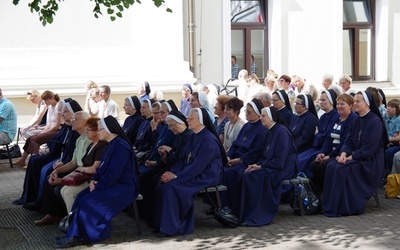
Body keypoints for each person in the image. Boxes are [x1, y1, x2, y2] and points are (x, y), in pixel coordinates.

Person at [55, 116, 139, 248]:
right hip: (110, 183)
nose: (98, 132)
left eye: (100, 130)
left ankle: (86, 236)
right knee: (81, 197)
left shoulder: (121, 147)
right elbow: (103, 168)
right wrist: (95, 180)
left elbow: (113, 174)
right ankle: (74, 232)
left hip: (124, 187)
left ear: (109, 130)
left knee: (89, 201)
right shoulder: (111, 144)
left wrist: (99, 185)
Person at [216, 106, 297, 227]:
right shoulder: (270, 131)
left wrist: (260, 166)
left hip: (284, 168)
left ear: (272, 117)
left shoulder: (281, 132)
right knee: (243, 173)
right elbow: (265, 155)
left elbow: (280, 161)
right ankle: (241, 212)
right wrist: (258, 164)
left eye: (263, 116)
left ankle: (255, 214)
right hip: (271, 165)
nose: (261, 118)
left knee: (251, 176)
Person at [152, 108, 226, 237]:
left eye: (191, 118)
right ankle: (162, 225)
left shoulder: (208, 139)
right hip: (192, 172)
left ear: (200, 121)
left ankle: (177, 227)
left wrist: (175, 176)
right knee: (161, 183)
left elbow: (198, 166)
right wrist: (170, 172)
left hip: (207, 175)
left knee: (172, 187)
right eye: (188, 117)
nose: (187, 120)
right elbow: (183, 159)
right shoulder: (193, 136)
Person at [323, 91, 388, 217]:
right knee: (331, 165)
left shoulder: (375, 122)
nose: (355, 103)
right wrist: (343, 154)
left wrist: (350, 157)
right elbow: (348, 141)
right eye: (354, 101)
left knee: (342, 168)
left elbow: (370, 149)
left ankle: (347, 207)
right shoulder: (356, 120)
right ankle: (332, 206)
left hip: (371, 162)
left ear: (367, 103)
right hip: (358, 157)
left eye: (358, 101)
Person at [34, 111, 91, 226]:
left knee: (58, 187)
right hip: (78, 170)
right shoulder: (80, 139)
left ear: (84, 122)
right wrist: (57, 171)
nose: (72, 121)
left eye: (76, 119)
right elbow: (73, 162)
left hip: (85, 174)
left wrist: (63, 179)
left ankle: (65, 217)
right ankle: (55, 214)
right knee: (50, 176)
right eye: (73, 119)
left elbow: (84, 165)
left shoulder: (89, 139)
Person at [219, 98, 269, 212]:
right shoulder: (247, 126)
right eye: (246, 111)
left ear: (257, 113)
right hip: (236, 157)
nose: (246, 113)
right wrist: (228, 156)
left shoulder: (262, 129)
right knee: (220, 169)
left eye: (249, 112)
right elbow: (236, 144)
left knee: (229, 173)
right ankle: (219, 204)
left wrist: (239, 160)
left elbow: (256, 151)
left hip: (247, 161)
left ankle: (230, 205)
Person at [310, 93, 357, 200]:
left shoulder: (352, 119)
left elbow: (345, 141)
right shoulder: (338, 119)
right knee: (314, 164)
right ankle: (317, 196)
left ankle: (326, 196)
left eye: (342, 104)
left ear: (350, 106)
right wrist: (322, 153)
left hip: (343, 153)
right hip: (331, 152)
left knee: (323, 166)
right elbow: (328, 138)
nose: (339, 106)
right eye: (338, 104)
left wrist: (330, 155)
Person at [60, 117, 108, 213]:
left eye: (88, 130)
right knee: (63, 190)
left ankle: (74, 220)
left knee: (68, 193)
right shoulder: (91, 145)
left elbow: (94, 169)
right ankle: (73, 217)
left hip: (92, 180)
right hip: (85, 177)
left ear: (97, 131)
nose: (86, 133)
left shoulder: (102, 145)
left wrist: (82, 169)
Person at [297, 89, 340, 176]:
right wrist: (319, 135)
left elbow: (327, 136)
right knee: (298, 158)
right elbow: (319, 135)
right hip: (318, 147)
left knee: (305, 160)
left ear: (331, 101)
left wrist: (318, 135)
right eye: (320, 100)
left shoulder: (336, 116)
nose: (320, 102)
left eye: (323, 100)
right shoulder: (323, 116)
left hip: (327, 149)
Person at [14, 90, 62, 167]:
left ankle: (35, 161)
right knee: (31, 138)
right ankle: (22, 160)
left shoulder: (58, 106)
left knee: (34, 140)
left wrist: (45, 132)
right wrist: (43, 132)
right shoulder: (49, 107)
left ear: (52, 98)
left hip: (57, 131)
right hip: (50, 129)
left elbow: (57, 125)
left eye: (46, 100)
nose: (45, 102)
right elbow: (49, 124)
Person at [382, 99, 400, 174]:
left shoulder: (398, 119)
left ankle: (389, 173)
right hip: (388, 142)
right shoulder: (386, 118)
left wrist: (388, 139)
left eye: (392, 107)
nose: (388, 108)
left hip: (396, 144)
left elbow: (398, 137)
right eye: (388, 106)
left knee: (388, 153)